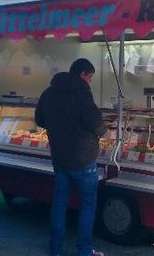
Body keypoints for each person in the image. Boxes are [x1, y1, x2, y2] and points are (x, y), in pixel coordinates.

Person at [35, 58, 106, 256]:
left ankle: (55, 249)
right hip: (84, 159)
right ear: (82, 74)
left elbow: (39, 120)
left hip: (60, 159)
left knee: (59, 204)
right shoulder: (83, 94)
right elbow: (97, 125)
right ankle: (84, 251)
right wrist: (101, 131)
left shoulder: (48, 93)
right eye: (90, 76)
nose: (90, 81)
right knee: (88, 205)